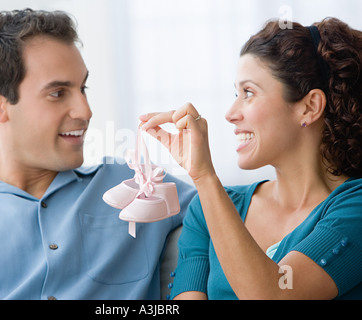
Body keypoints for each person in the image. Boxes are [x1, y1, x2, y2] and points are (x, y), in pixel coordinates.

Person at [0, 9, 196, 300]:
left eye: (82, 88)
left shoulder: (134, 185)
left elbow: (222, 214)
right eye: (58, 93)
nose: (85, 111)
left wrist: (191, 286)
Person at [140, 17, 362, 299]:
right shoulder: (208, 209)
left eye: (248, 92)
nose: (231, 113)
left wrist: (206, 177)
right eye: (236, 93)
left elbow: (275, 293)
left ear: (309, 107)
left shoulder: (355, 208)